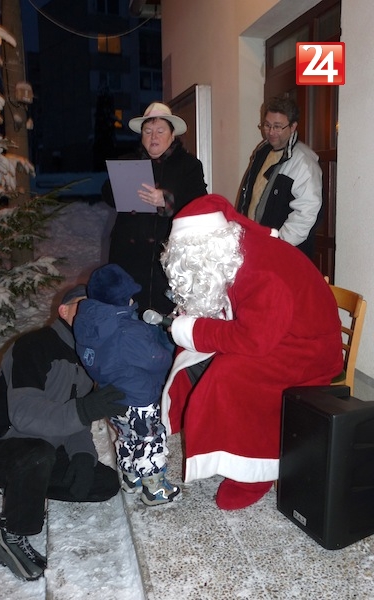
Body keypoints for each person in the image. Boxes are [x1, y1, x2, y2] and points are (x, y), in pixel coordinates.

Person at [159, 194, 343, 511]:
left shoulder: (261, 269)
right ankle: (202, 430)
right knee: (190, 352)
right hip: (279, 334)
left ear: (208, 247)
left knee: (230, 374)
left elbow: (255, 341)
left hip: (308, 352)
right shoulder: (233, 255)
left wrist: (197, 330)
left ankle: (255, 472)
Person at [0, 284, 126, 582]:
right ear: (63, 310)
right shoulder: (33, 346)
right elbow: (24, 415)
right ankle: (11, 535)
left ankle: (23, 486)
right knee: (36, 454)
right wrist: (84, 409)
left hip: (40, 452)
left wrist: (83, 455)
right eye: (82, 305)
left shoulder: (86, 357)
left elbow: (75, 422)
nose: (90, 313)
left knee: (103, 483)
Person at [73, 264, 181, 506]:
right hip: (139, 397)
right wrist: (164, 343)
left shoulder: (87, 322)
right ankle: (154, 488)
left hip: (111, 396)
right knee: (149, 439)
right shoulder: (128, 331)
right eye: (129, 295)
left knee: (126, 436)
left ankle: (131, 478)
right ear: (121, 299)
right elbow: (157, 360)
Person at [103, 101, 207, 314]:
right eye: (148, 131)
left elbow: (200, 203)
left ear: (172, 135)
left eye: (160, 131)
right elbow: (107, 194)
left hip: (168, 258)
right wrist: (120, 188)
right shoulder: (127, 162)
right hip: (128, 256)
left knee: (163, 312)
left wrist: (167, 200)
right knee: (127, 312)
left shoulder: (189, 165)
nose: (153, 137)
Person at [236, 96, 322, 259]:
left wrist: (278, 244)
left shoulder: (304, 162)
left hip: (285, 252)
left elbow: (307, 213)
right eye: (267, 125)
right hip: (257, 244)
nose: (270, 132)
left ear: (293, 126)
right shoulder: (262, 152)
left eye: (277, 127)